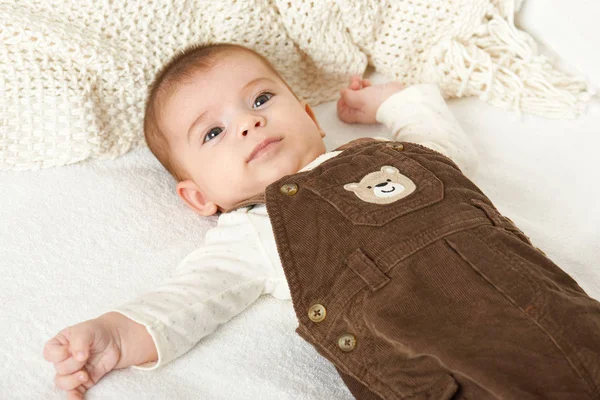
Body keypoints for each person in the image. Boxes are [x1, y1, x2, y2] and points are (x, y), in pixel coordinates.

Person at [43, 43, 600, 400]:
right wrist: (115, 335)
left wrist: (393, 101)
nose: (248, 123)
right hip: (428, 367)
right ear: (198, 197)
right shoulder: (256, 230)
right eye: (211, 132)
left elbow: (445, 150)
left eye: (260, 98)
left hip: (540, 303)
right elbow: (190, 298)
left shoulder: (384, 157)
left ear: (311, 117)